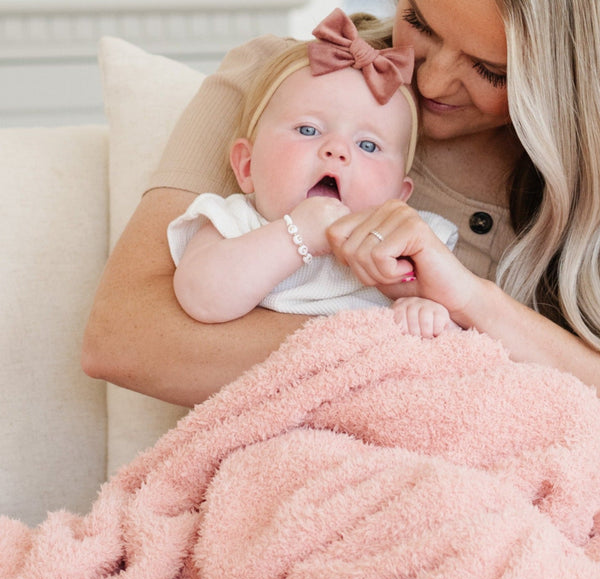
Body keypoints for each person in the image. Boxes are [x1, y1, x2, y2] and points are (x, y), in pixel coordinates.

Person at [82, 0, 600, 407]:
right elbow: (123, 337)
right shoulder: (282, 80)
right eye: (419, 21)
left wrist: (471, 303)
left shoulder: (578, 175)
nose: (430, 82)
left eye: (491, 70)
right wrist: (402, 353)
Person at [167, 10, 458, 334]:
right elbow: (200, 298)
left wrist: (426, 309)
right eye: (308, 130)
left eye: (368, 146)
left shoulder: (407, 244)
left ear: (399, 198)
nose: (337, 150)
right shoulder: (236, 224)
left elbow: (463, 324)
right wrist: (297, 236)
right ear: (247, 166)